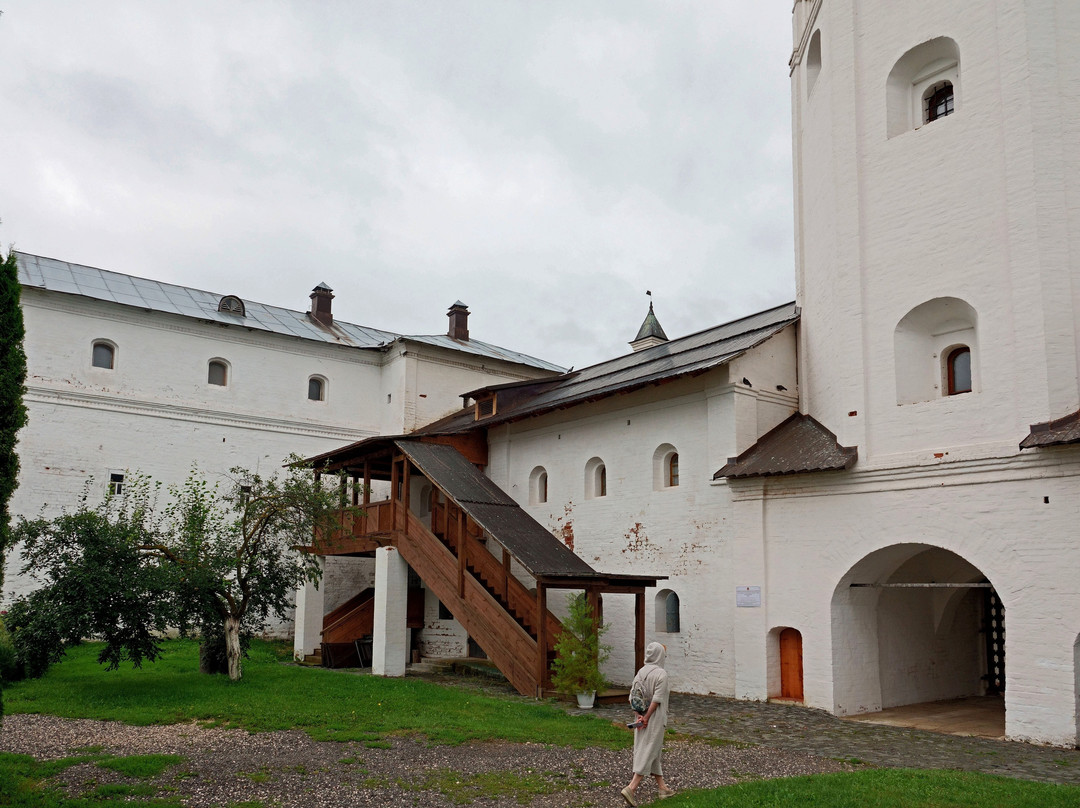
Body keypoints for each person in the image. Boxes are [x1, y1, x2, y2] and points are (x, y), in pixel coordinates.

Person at [621, 642, 674, 805]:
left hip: (641, 718)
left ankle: (662, 788)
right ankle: (631, 787)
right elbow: (657, 700)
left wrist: (639, 716)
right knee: (649, 750)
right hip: (654, 718)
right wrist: (647, 717)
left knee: (653, 750)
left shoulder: (641, 672)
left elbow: (633, 696)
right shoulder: (661, 674)